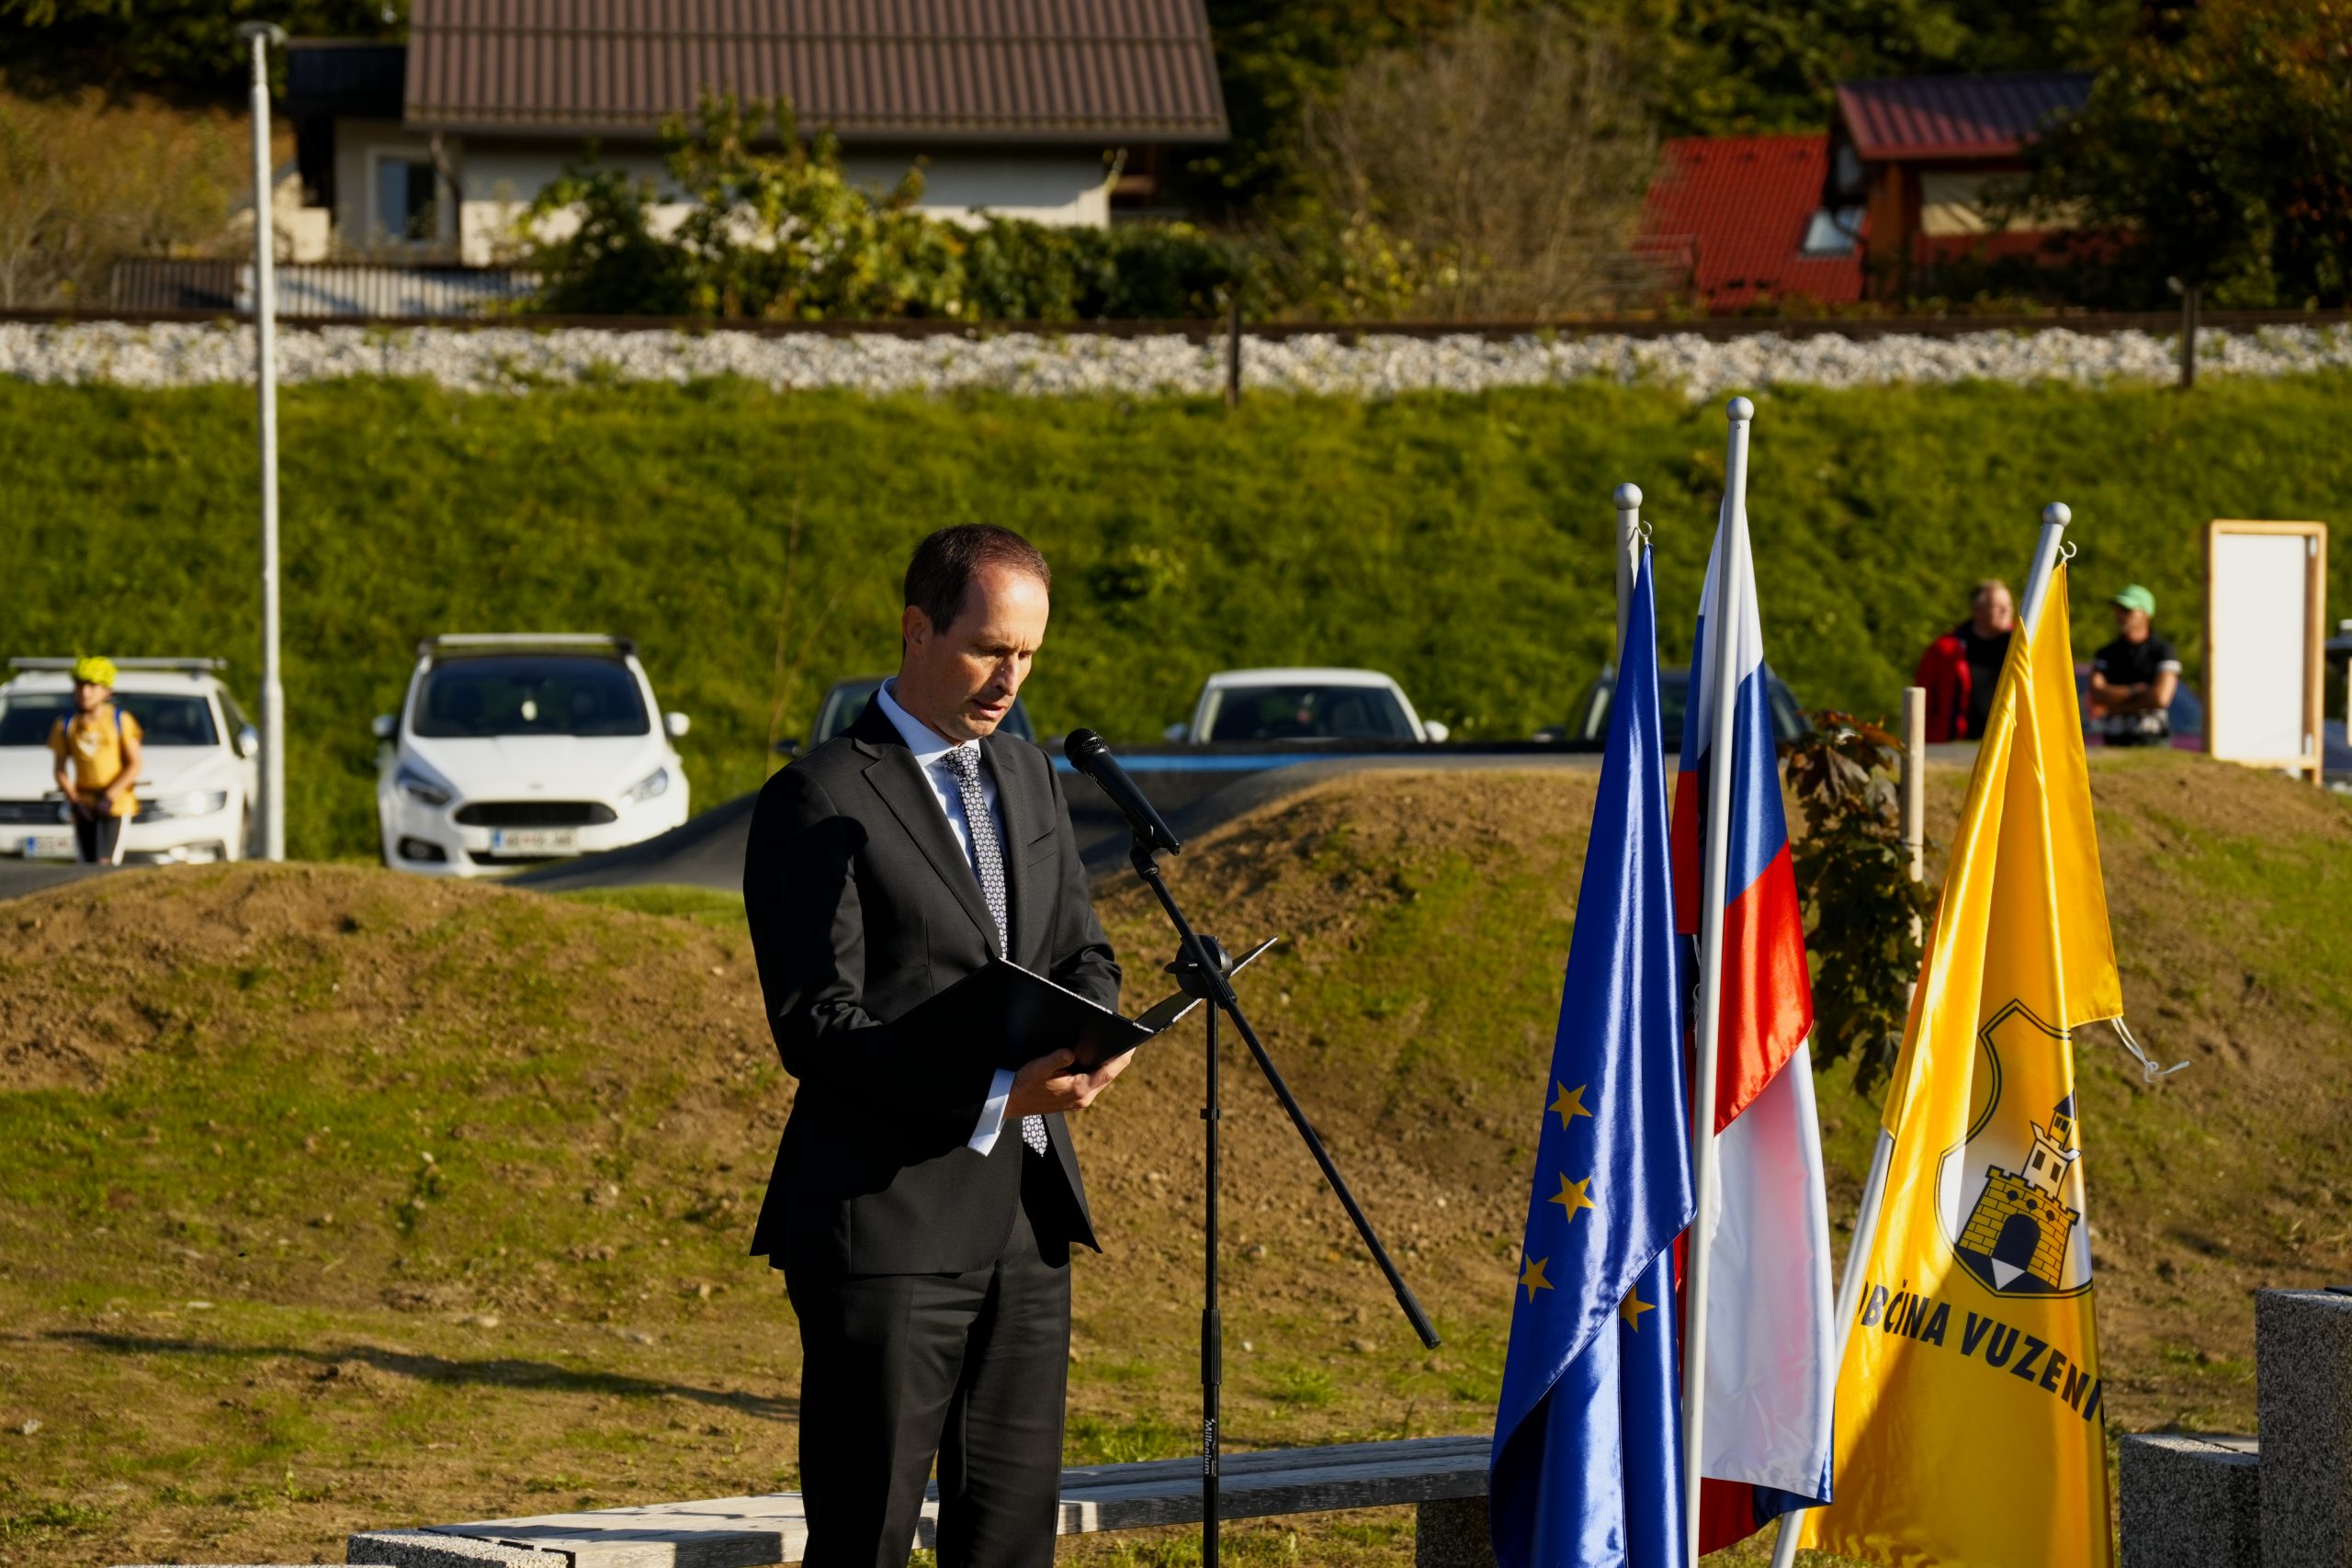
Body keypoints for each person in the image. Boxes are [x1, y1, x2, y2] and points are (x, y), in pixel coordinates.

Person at [742, 524, 1125, 1568]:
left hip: (1029, 1223)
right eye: (990, 649)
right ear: (917, 630)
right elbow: (818, 1024)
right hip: (889, 1223)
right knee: (866, 1538)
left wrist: (1098, 1035)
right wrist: (997, 1093)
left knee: (1009, 1542)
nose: (1011, 679)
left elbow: (1082, 950)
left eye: (1029, 654)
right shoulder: (820, 795)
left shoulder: (1029, 776)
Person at [48, 655, 142, 865]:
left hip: (115, 803)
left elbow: (135, 764)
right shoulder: (66, 724)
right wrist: (74, 800)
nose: (85, 692)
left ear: (107, 691)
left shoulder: (120, 720)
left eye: (92, 686)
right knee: (85, 865)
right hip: (84, 803)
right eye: (80, 685)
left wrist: (109, 796)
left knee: (105, 863)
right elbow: (60, 770)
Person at [1914, 579, 2014, 741]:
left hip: (2008, 742)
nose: (2006, 611)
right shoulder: (1944, 651)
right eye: (1998, 606)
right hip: (1956, 744)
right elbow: (1924, 701)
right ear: (1977, 610)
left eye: (2009, 605)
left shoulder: (2022, 647)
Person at [2089, 583, 2180, 748]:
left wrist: (2117, 705)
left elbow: (2160, 698)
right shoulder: (2106, 653)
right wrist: (2136, 690)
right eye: (2118, 610)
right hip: (2113, 740)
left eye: (2127, 610)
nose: (2120, 615)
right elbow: (2096, 694)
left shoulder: (2163, 650)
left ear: (2145, 614)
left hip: (2153, 740)